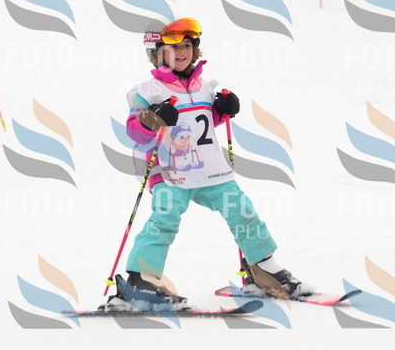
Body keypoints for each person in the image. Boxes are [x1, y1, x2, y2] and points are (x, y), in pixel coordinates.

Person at [122, 18, 313, 302]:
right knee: (164, 220)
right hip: (170, 172)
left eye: (187, 46)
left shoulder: (204, 87)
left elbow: (203, 123)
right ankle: (141, 279)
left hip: (211, 170)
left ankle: (264, 268)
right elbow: (134, 131)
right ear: (157, 54)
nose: (182, 52)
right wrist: (154, 117)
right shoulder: (147, 92)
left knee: (243, 212)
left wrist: (222, 110)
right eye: (173, 48)